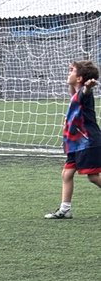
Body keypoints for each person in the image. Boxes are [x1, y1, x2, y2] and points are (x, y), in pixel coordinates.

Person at [44, 60, 101, 218]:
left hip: (88, 142)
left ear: (79, 78)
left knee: (93, 177)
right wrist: (75, 81)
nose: (68, 73)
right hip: (76, 144)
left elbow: (85, 92)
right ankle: (65, 210)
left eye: (72, 71)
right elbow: (75, 91)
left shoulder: (84, 93)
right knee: (67, 174)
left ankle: (65, 209)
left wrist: (88, 86)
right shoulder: (76, 93)